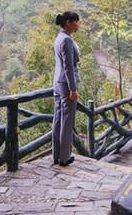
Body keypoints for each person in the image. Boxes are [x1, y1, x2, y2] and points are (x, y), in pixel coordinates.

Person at [52, 11, 81, 166]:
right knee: (67, 121)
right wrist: (73, 89)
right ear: (68, 22)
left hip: (58, 83)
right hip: (66, 85)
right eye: (76, 21)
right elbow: (69, 67)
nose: (78, 25)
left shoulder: (59, 38)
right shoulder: (66, 40)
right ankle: (64, 157)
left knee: (58, 119)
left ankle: (56, 155)